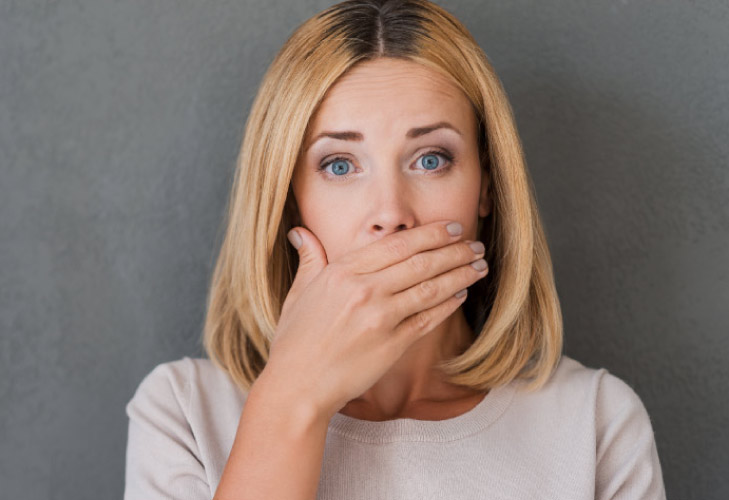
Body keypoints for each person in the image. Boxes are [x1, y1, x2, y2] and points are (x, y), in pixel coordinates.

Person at [123, 1, 667, 499]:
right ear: (289, 206)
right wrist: (292, 399)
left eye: (431, 159)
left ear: (487, 188)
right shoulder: (186, 413)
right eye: (339, 165)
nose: (391, 213)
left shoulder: (594, 422)